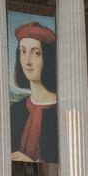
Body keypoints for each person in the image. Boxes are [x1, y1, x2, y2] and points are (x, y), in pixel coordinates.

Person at [10, 21, 58, 162]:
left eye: (36, 53)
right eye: (23, 51)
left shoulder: (61, 112)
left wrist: (32, 165)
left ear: (48, 58)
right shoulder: (15, 110)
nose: (27, 61)